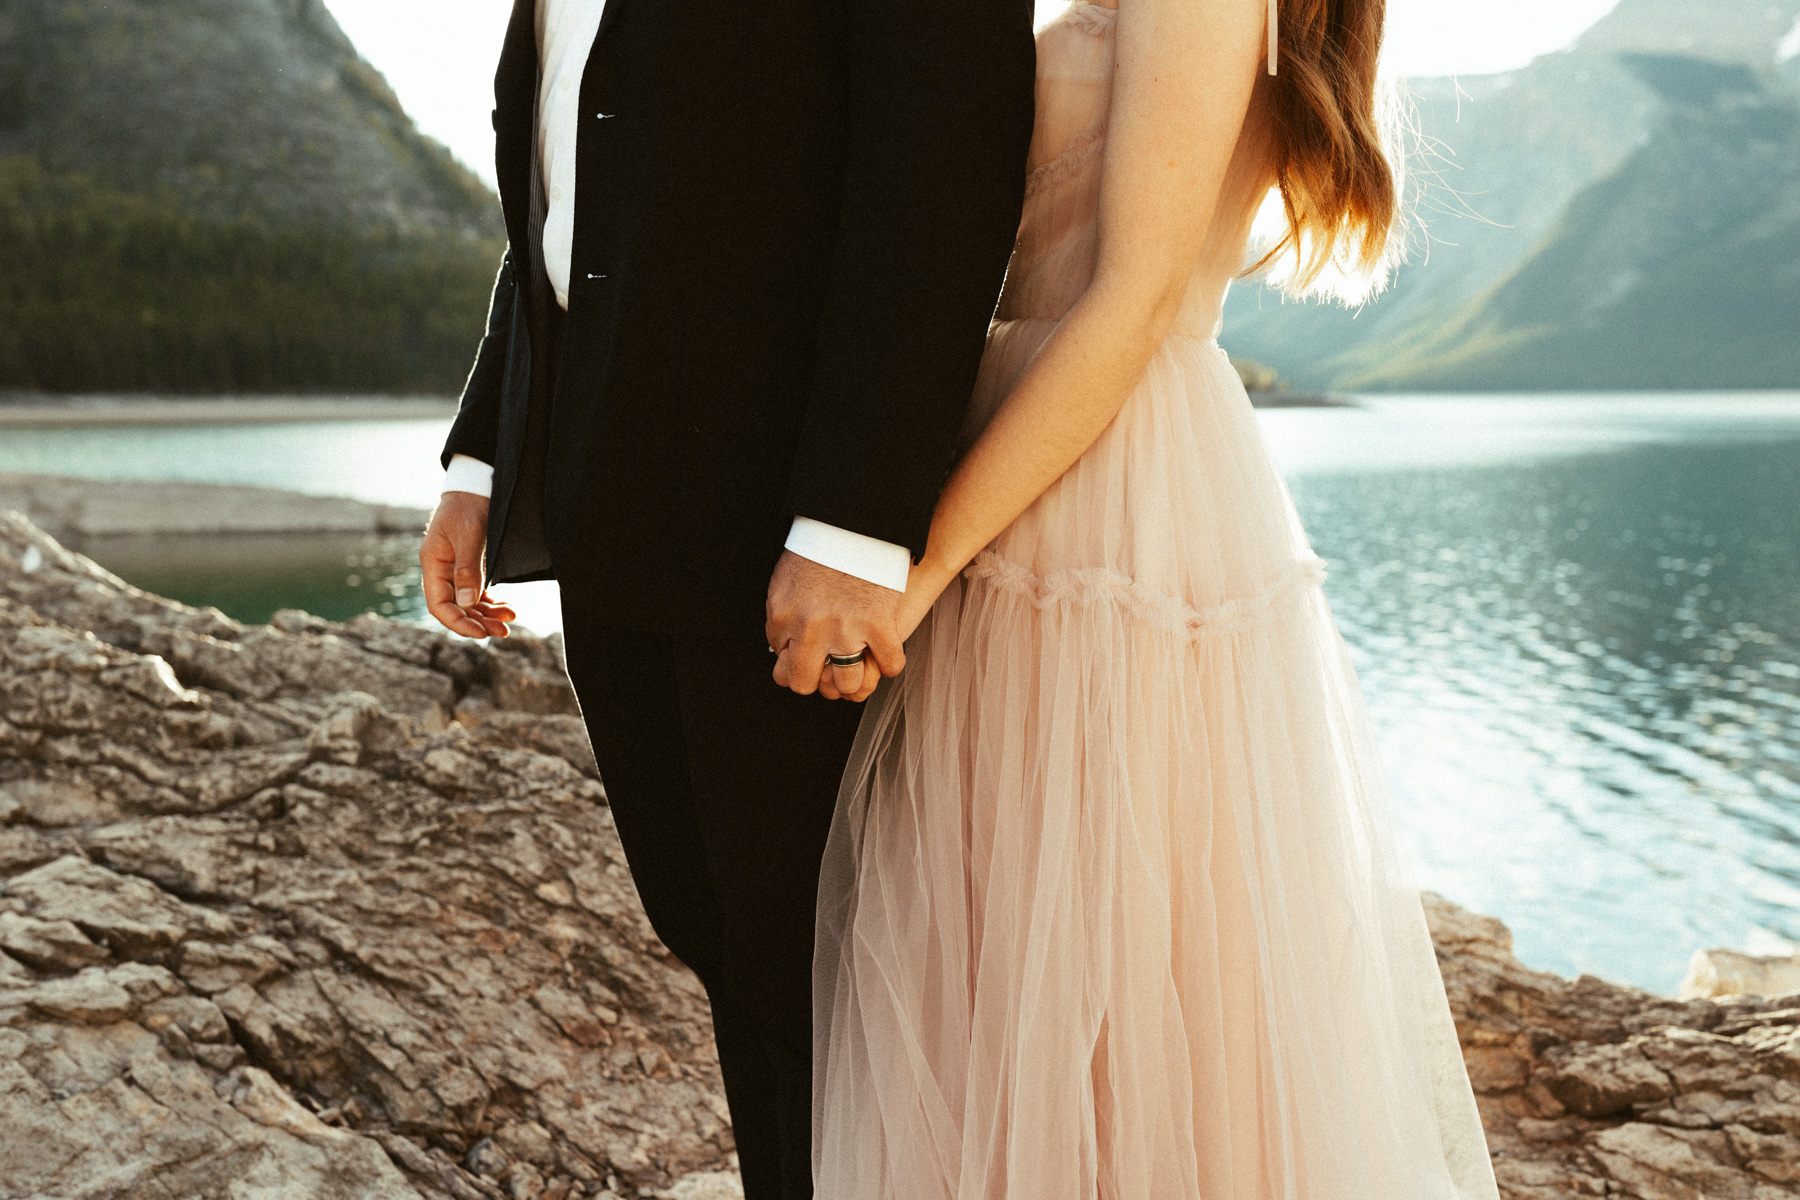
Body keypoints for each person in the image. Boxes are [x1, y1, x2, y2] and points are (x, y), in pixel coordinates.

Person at [809, 0, 1502, 1196]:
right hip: (1031, 457)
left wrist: (910, 577)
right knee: (1006, 953)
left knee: (1106, 971)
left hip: (1102, 490)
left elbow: (1128, 304)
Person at [416, 1, 1037, 1197]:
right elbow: (565, 184)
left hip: (790, 528)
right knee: (719, 938)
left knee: (820, 971)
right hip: (609, 499)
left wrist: (855, 526)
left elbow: (942, 164)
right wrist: (485, 462)